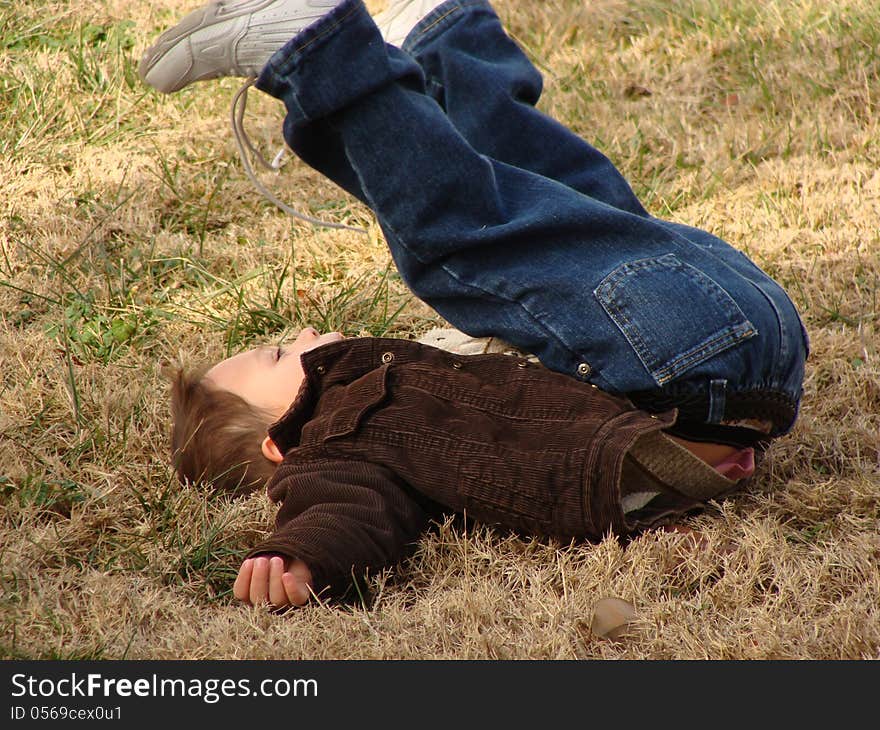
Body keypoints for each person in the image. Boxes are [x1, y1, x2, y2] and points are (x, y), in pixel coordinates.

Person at [142, 0, 809, 609]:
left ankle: (441, 39)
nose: (304, 329)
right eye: (279, 351)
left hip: (728, 357)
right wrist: (303, 553)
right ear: (279, 440)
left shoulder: (399, 408)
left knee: (549, 200)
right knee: (461, 237)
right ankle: (319, 50)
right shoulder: (334, 441)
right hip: (694, 368)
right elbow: (346, 510)